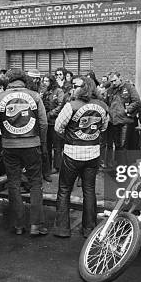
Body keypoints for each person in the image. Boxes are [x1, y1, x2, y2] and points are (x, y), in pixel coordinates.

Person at [0, 68, 48, 236]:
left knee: (14, 184)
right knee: (35, 183)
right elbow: (43, 123)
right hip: (32, 144)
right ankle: (36, 225)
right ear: (24, 79)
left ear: (7, 80)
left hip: (9, 145)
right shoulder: (35, 96)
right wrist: (43, 144)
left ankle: (18, 225)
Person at [53, 76, 109, 238]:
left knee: (64, 190)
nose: (73, 88)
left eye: (76, 85)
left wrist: (69, 137)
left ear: (84, 88)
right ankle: (89, 228)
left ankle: (62, 228)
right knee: (89, 190)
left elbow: (58, 127)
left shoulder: (71, 106)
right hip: (93, 154)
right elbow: (104, 128)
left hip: (72, 153)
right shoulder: (103, 106)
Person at [106, 72, 140, 168]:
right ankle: (118, 166)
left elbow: (136, 100)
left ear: (120, 78)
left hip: (125, 121)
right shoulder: (110, 90)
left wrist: (127, 110)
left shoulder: (128, 87)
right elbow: (106, 103)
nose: (113, 83)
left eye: (115, 80)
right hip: (114, 122)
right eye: (111, 81)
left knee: (123, 145)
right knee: (117, 145)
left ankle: (123, 167)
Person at [40, 74, 64, 182]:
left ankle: (57, 166)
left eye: (47, 81)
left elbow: (61, 105)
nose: (45, 82)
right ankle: (48, 167)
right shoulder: (44, 92)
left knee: (57, 146)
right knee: (47, 147)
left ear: (51, 81)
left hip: (55, 122)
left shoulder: (58, 91)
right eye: (44, 80)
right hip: (46, 123)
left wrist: (50, 114)